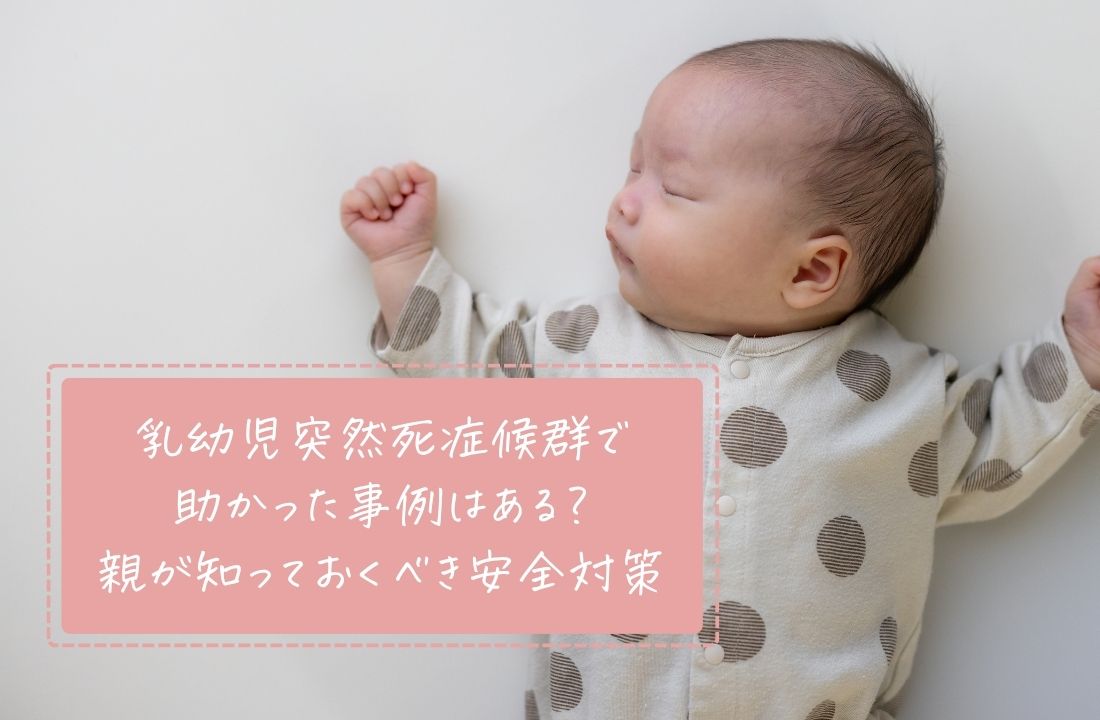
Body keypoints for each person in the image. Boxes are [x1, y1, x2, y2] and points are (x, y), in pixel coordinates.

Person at [340, 37, 1100, 720]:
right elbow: (474, 372)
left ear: (812, 270)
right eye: (633, 167)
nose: (624, 201)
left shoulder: (893, 393)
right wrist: (404, 261)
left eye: (673, 188)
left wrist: (1079, 352)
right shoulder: (588, 346)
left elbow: (999, 443)